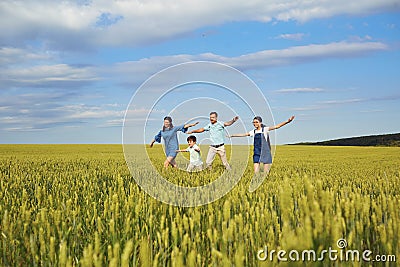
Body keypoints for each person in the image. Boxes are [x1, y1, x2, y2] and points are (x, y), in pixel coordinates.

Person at [228, 115, 295, 173]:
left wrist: (288, 121)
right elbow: (244, 134)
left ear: (260, 123)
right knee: (256, 172)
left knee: (265, 172)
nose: (254, 124)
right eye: (253, 122)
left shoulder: (265, 129)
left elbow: (277, 126)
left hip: (265, 152)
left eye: (256, 122)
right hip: (257, 152)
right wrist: (233, 135)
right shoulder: (253, 131)